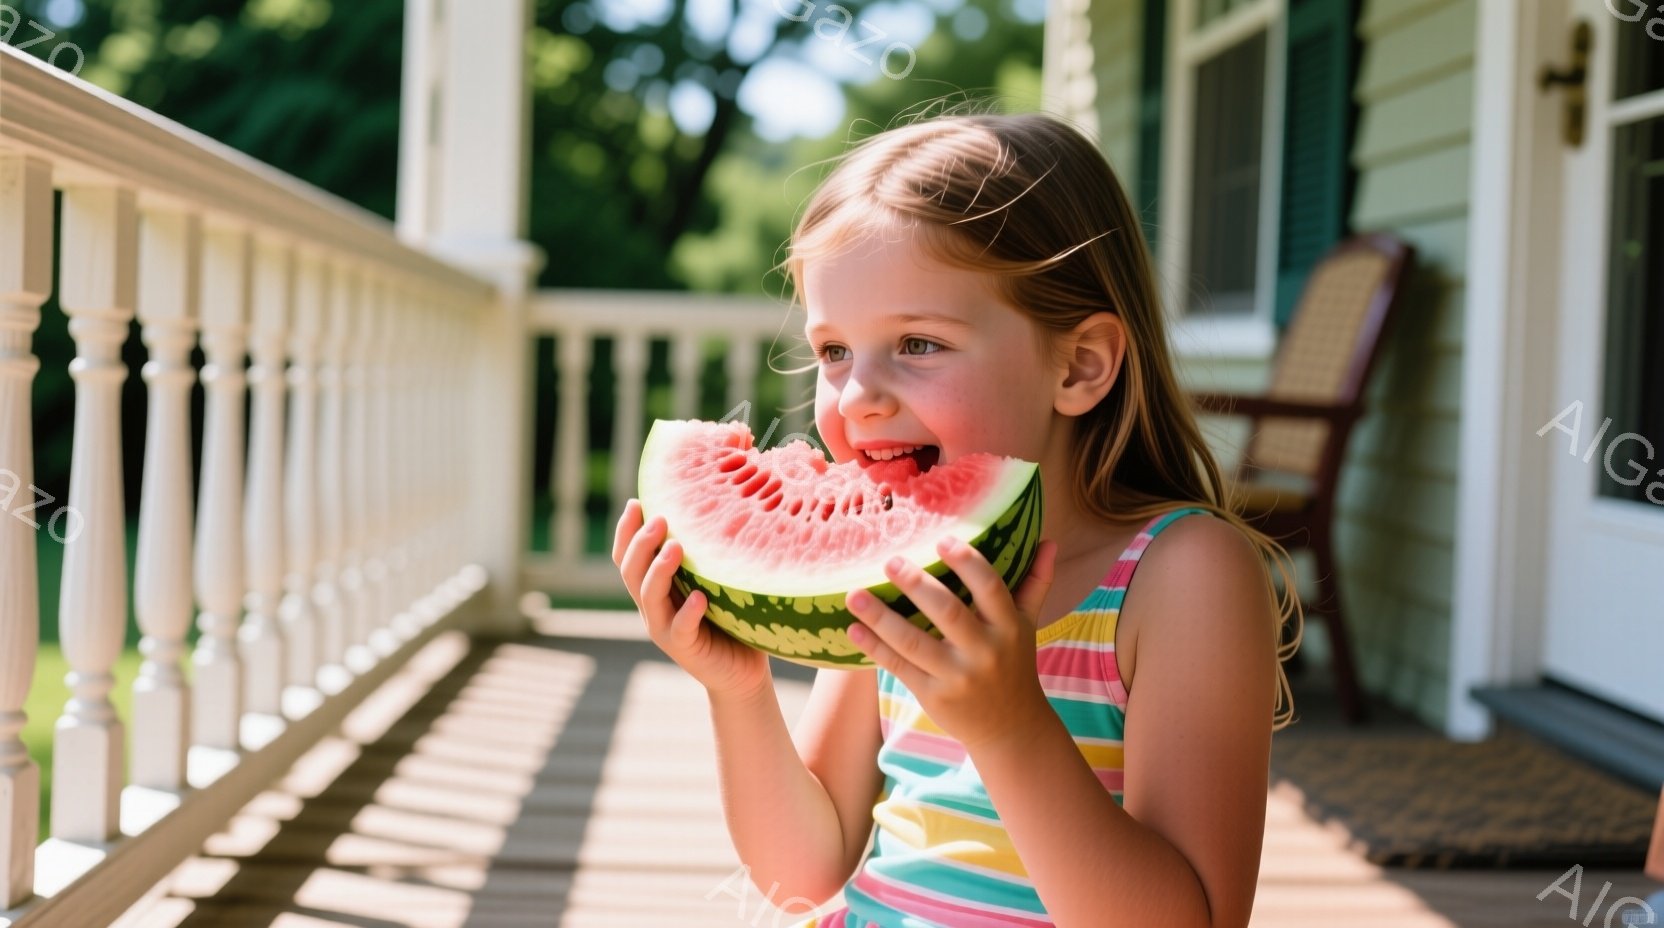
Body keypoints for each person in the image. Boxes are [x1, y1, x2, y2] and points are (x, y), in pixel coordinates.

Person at [612, 107, 1302, 928]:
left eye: (918, 344)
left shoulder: (1184, 575)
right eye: (834, 352)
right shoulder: (899, 569)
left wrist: (1010, 726)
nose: (857, 398)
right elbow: (803, 869)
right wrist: (738, 691)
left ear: (1080, 366)